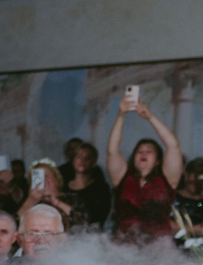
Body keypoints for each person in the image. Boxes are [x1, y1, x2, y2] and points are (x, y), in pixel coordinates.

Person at [104, 90, 185, 242]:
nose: (143, 154)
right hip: (123, 247)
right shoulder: (123, 177)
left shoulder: (167, 179)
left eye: (149, 151)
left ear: (158, 160)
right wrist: (121, 115)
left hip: (158, 247)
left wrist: (150, 117)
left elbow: (173, 145)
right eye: (139, 151)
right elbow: (112, 151)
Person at [56, 140, 111, 232]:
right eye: (79, 156)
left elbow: (95, 219)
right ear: (73, 160)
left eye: (87, 157)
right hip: (65, 236)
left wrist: (58, 203)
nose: (82, 160)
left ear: (94, 163)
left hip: (91, 237)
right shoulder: (63, 186)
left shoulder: (101, 189)